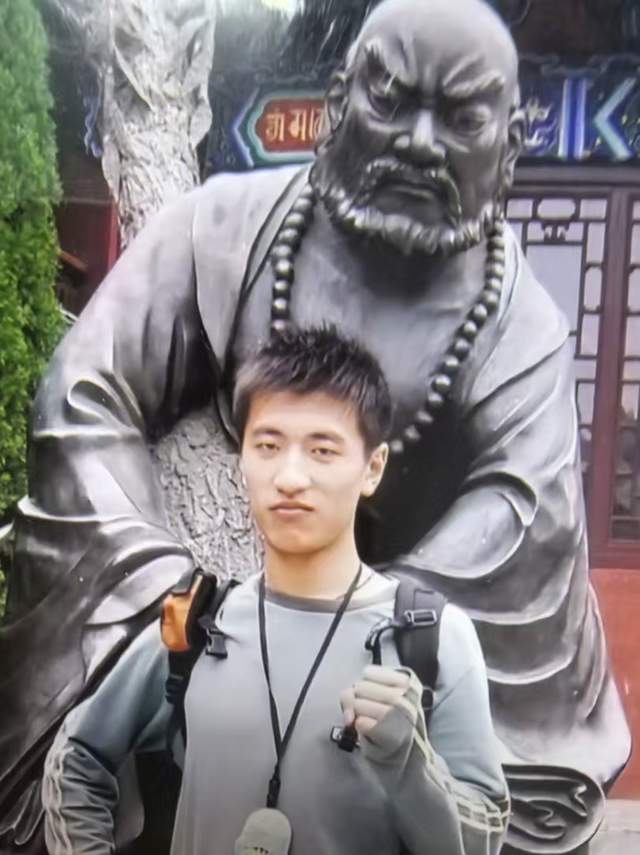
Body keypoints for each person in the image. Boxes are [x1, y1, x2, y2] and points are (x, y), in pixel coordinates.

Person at [0, 1, 628, 852]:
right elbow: (85, 391)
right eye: (391, 100)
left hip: (391, 634)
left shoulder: (520, 332)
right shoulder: (219, 231)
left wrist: (368, 643)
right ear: (338, 102)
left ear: (511, 142)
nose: (419, 141)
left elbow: (525, 525)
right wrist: (165, 586)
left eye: (461, 116)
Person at [42, 327, 509, 855]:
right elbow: (76, 759)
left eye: (322, 450)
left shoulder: (433, 642)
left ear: (372, 468)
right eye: (267, 446)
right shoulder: (198, 627)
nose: (290, 477)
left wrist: (412, 765)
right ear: (241, 459)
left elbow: (483, 839)